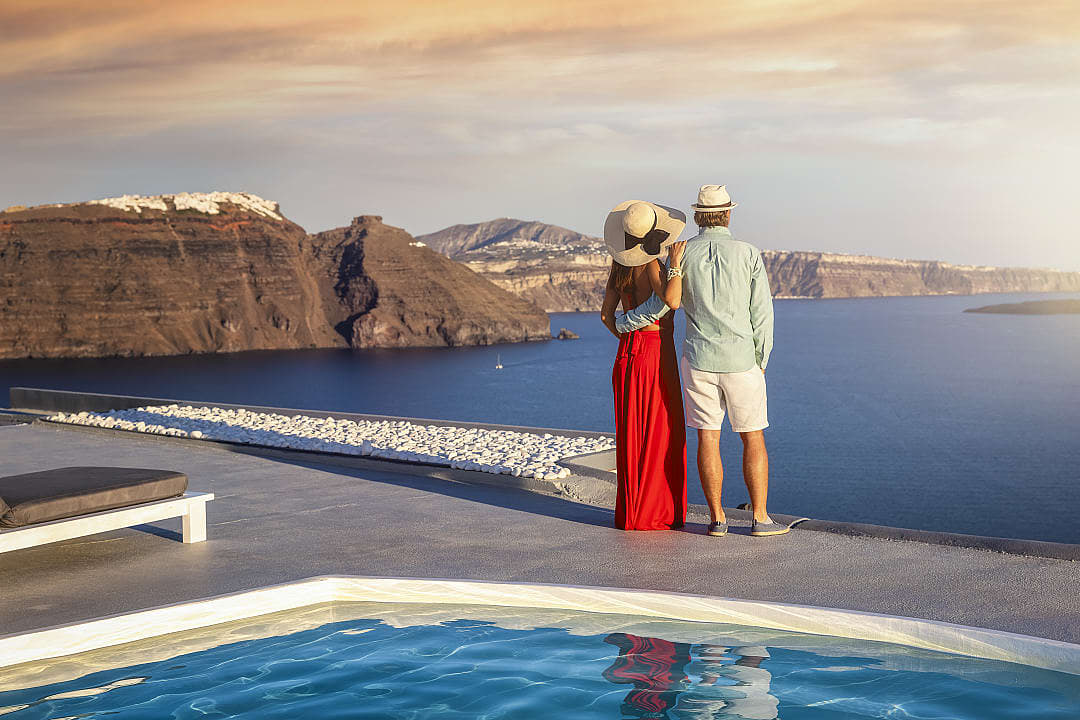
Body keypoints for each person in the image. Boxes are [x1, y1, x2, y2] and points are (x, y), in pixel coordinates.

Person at [617, 185, 788, 537]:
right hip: (742, 360)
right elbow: (762, 314)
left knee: (708, 439)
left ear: (697, 217)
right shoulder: (748, 253)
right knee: (752, 438)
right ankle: (760, 518)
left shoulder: (681, 255)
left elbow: (662, 304)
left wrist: (623, 322)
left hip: (698, 360)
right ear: (728, 214)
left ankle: (717, 519)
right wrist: (762, 359)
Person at [600, 200, 689, 531]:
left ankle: (632, 512)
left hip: (628, 354)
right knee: (660, 434)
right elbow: (672, 300)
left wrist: (627, 332)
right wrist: (675, 264)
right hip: (654, 352)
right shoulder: (652, 263)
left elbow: (606, 316)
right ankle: (657, 513)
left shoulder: (619, 266)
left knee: (632, 436)